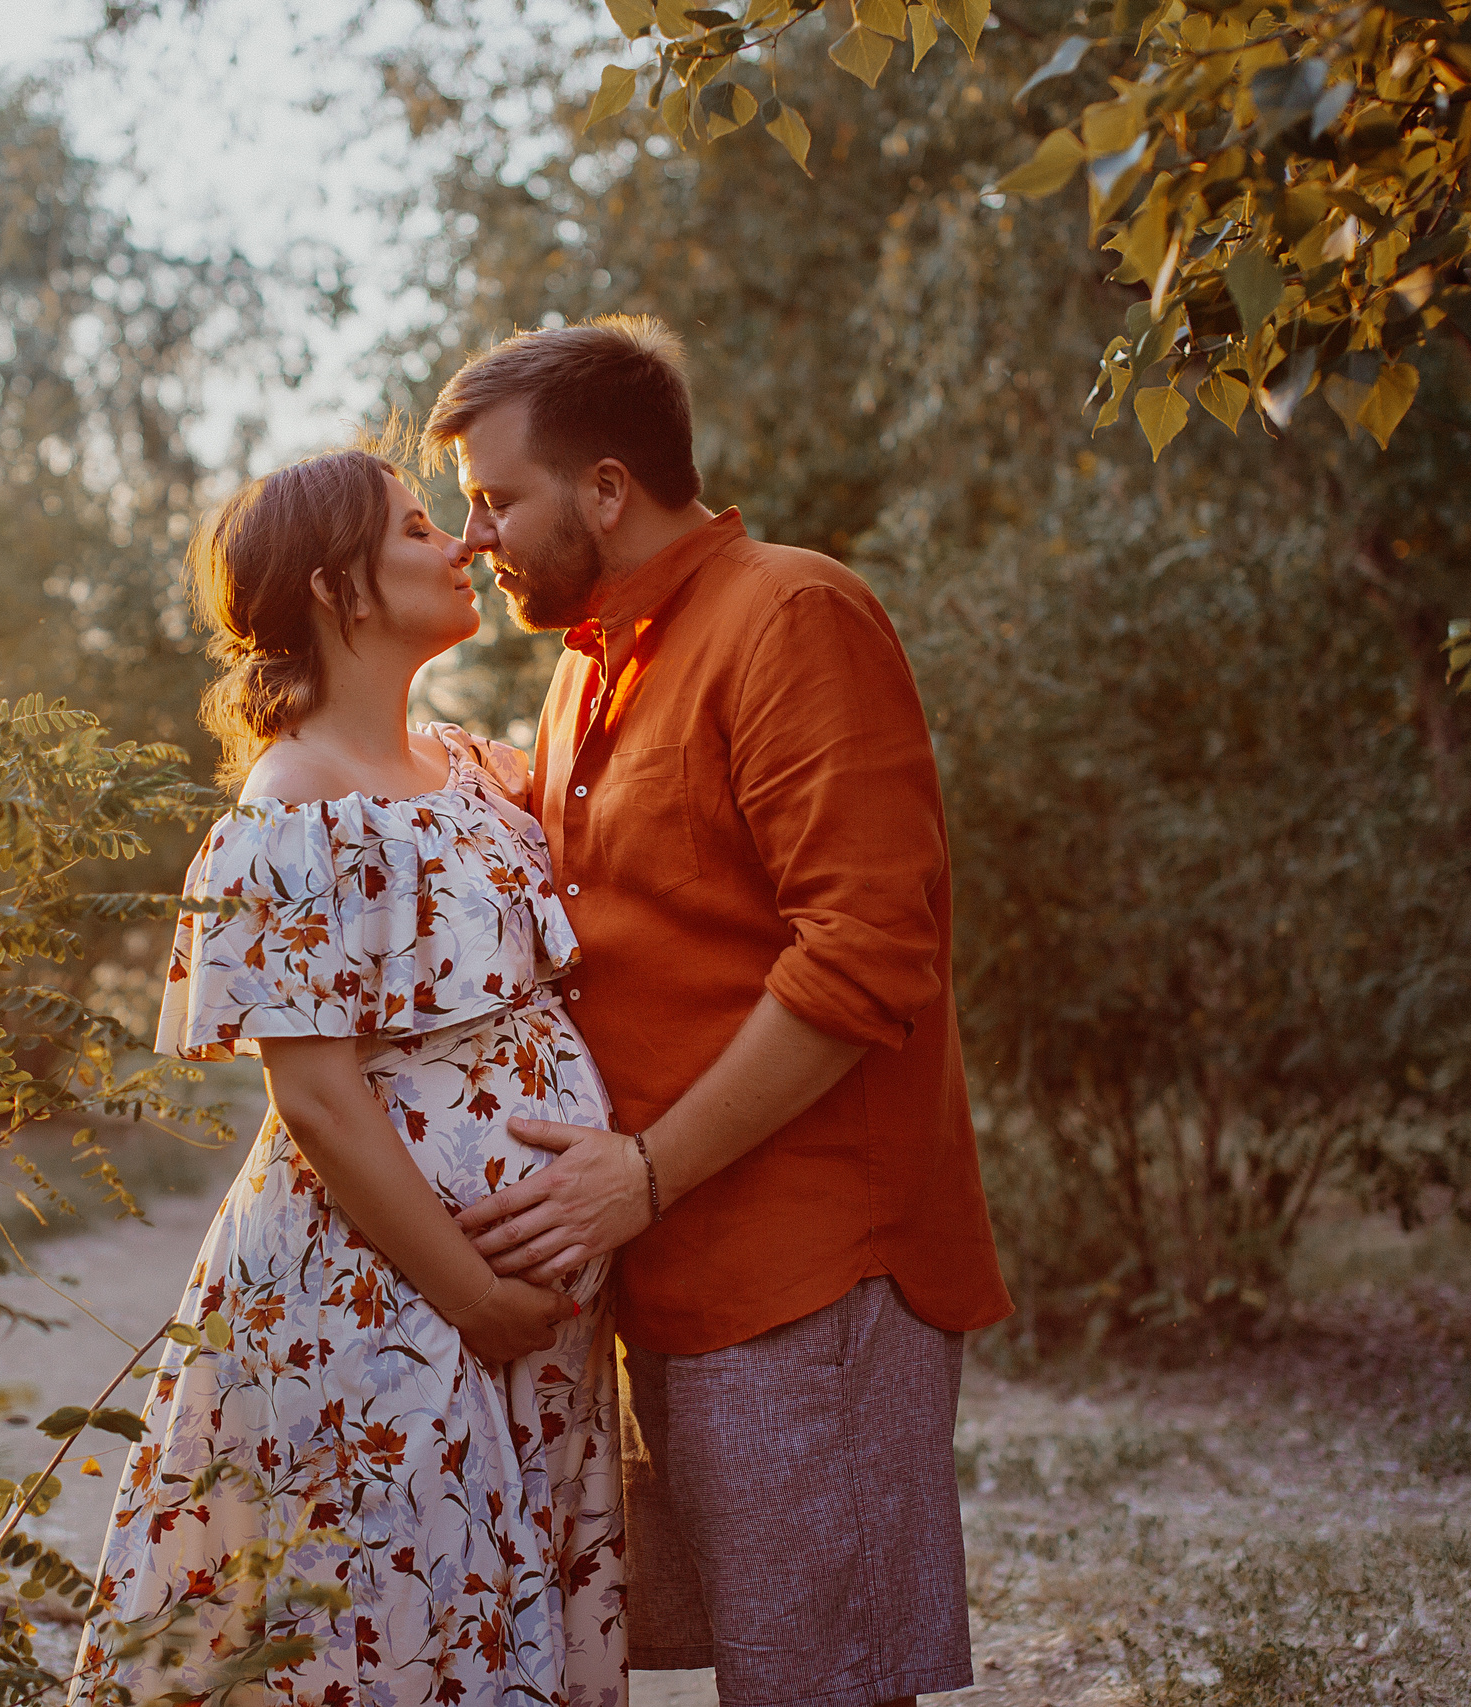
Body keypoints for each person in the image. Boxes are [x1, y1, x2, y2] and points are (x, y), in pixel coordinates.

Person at [426, 316, 1015, 1707]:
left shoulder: (792, 613)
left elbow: (868, 955)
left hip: (815, 1264)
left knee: (823, 1681)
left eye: (497, 499)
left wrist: (640, 1172)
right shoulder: (586, 665)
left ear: (609, 488)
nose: (472, 538)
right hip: (670, 1266)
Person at [68, 448, 625, 1707]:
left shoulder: (470, 771)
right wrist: (475, 1296)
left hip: (521, 1319)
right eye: (422, 528)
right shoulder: (289, 805)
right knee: (392, 1632)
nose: (463, 546)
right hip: (388, 1305)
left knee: (496, 1616)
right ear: (339, 590)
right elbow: (314, 1097)